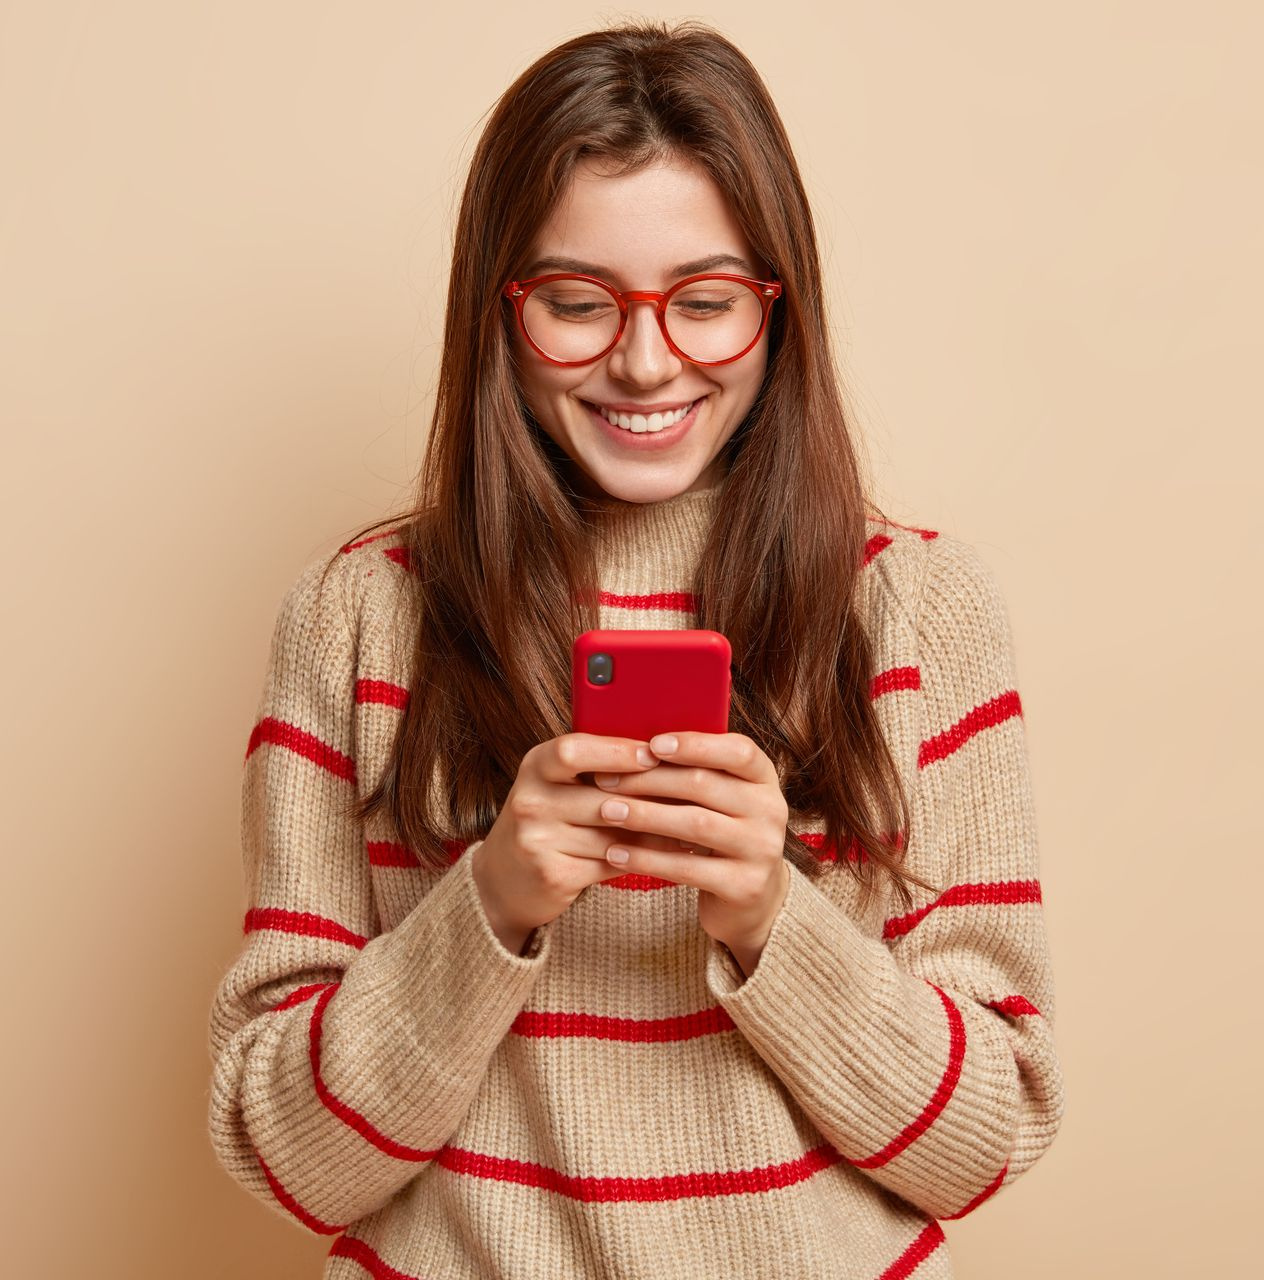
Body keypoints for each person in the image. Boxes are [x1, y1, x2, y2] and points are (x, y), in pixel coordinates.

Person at [207, 19, 1065, 1279]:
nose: (646, 356)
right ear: (497, 310)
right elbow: (283, 1154)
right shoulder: (356, 617)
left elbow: (985, 1139)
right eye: (575, 301)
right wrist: (490, 902)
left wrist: (773, 914)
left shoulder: (921, 611)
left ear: (780, 310)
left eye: (707, 301)